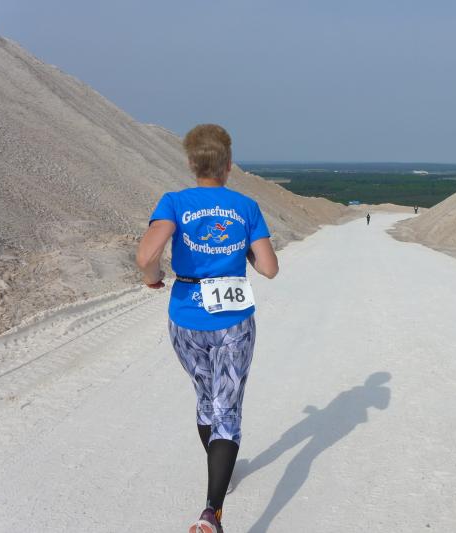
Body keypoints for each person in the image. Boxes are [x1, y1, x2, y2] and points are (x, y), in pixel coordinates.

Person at [136, 124, 278, 533]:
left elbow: (146, 255)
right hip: (233, 321)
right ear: (229, 165)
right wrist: (243, 250)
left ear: (191, 163)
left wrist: (152, 278)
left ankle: (221, 473)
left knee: (205, 398)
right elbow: (269, 268)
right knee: (226, 408)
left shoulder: (174, 202)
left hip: (186, 318)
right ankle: (212, 512)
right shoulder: (246, 206)